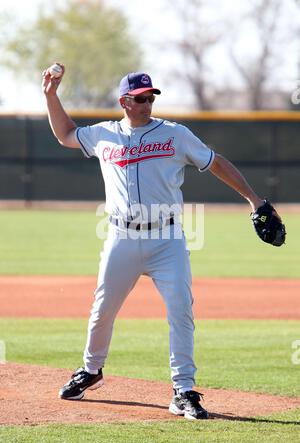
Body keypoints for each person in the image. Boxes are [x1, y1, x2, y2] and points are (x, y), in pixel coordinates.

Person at [42, 65, 263, 420]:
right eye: (141, 98)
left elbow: (215, 162)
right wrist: (51, 95)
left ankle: (184, 390)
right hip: (120, 236)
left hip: (167, 238)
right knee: (102, 310)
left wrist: (255, 199)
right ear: (124, 102)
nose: (147, 103)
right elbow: (66, 133)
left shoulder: (175, 134)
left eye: (151, 97)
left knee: (181, 312)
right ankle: (91, 370)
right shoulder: (104, 135)